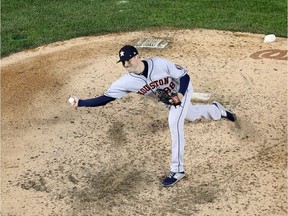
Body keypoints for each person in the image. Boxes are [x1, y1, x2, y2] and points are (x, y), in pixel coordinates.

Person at [69, 45, 236, 187]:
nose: (126, 64)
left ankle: (177, 170)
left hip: (182, 91)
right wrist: (81, 102)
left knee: (174, 122)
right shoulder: (125, 82)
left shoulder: (159, 63)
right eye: (123, 62)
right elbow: (105, 99)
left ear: (137, 56)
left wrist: (180, 94)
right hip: (169, 100)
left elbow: (184, 76)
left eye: (129, 59)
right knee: (190, 115)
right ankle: (217, 110)